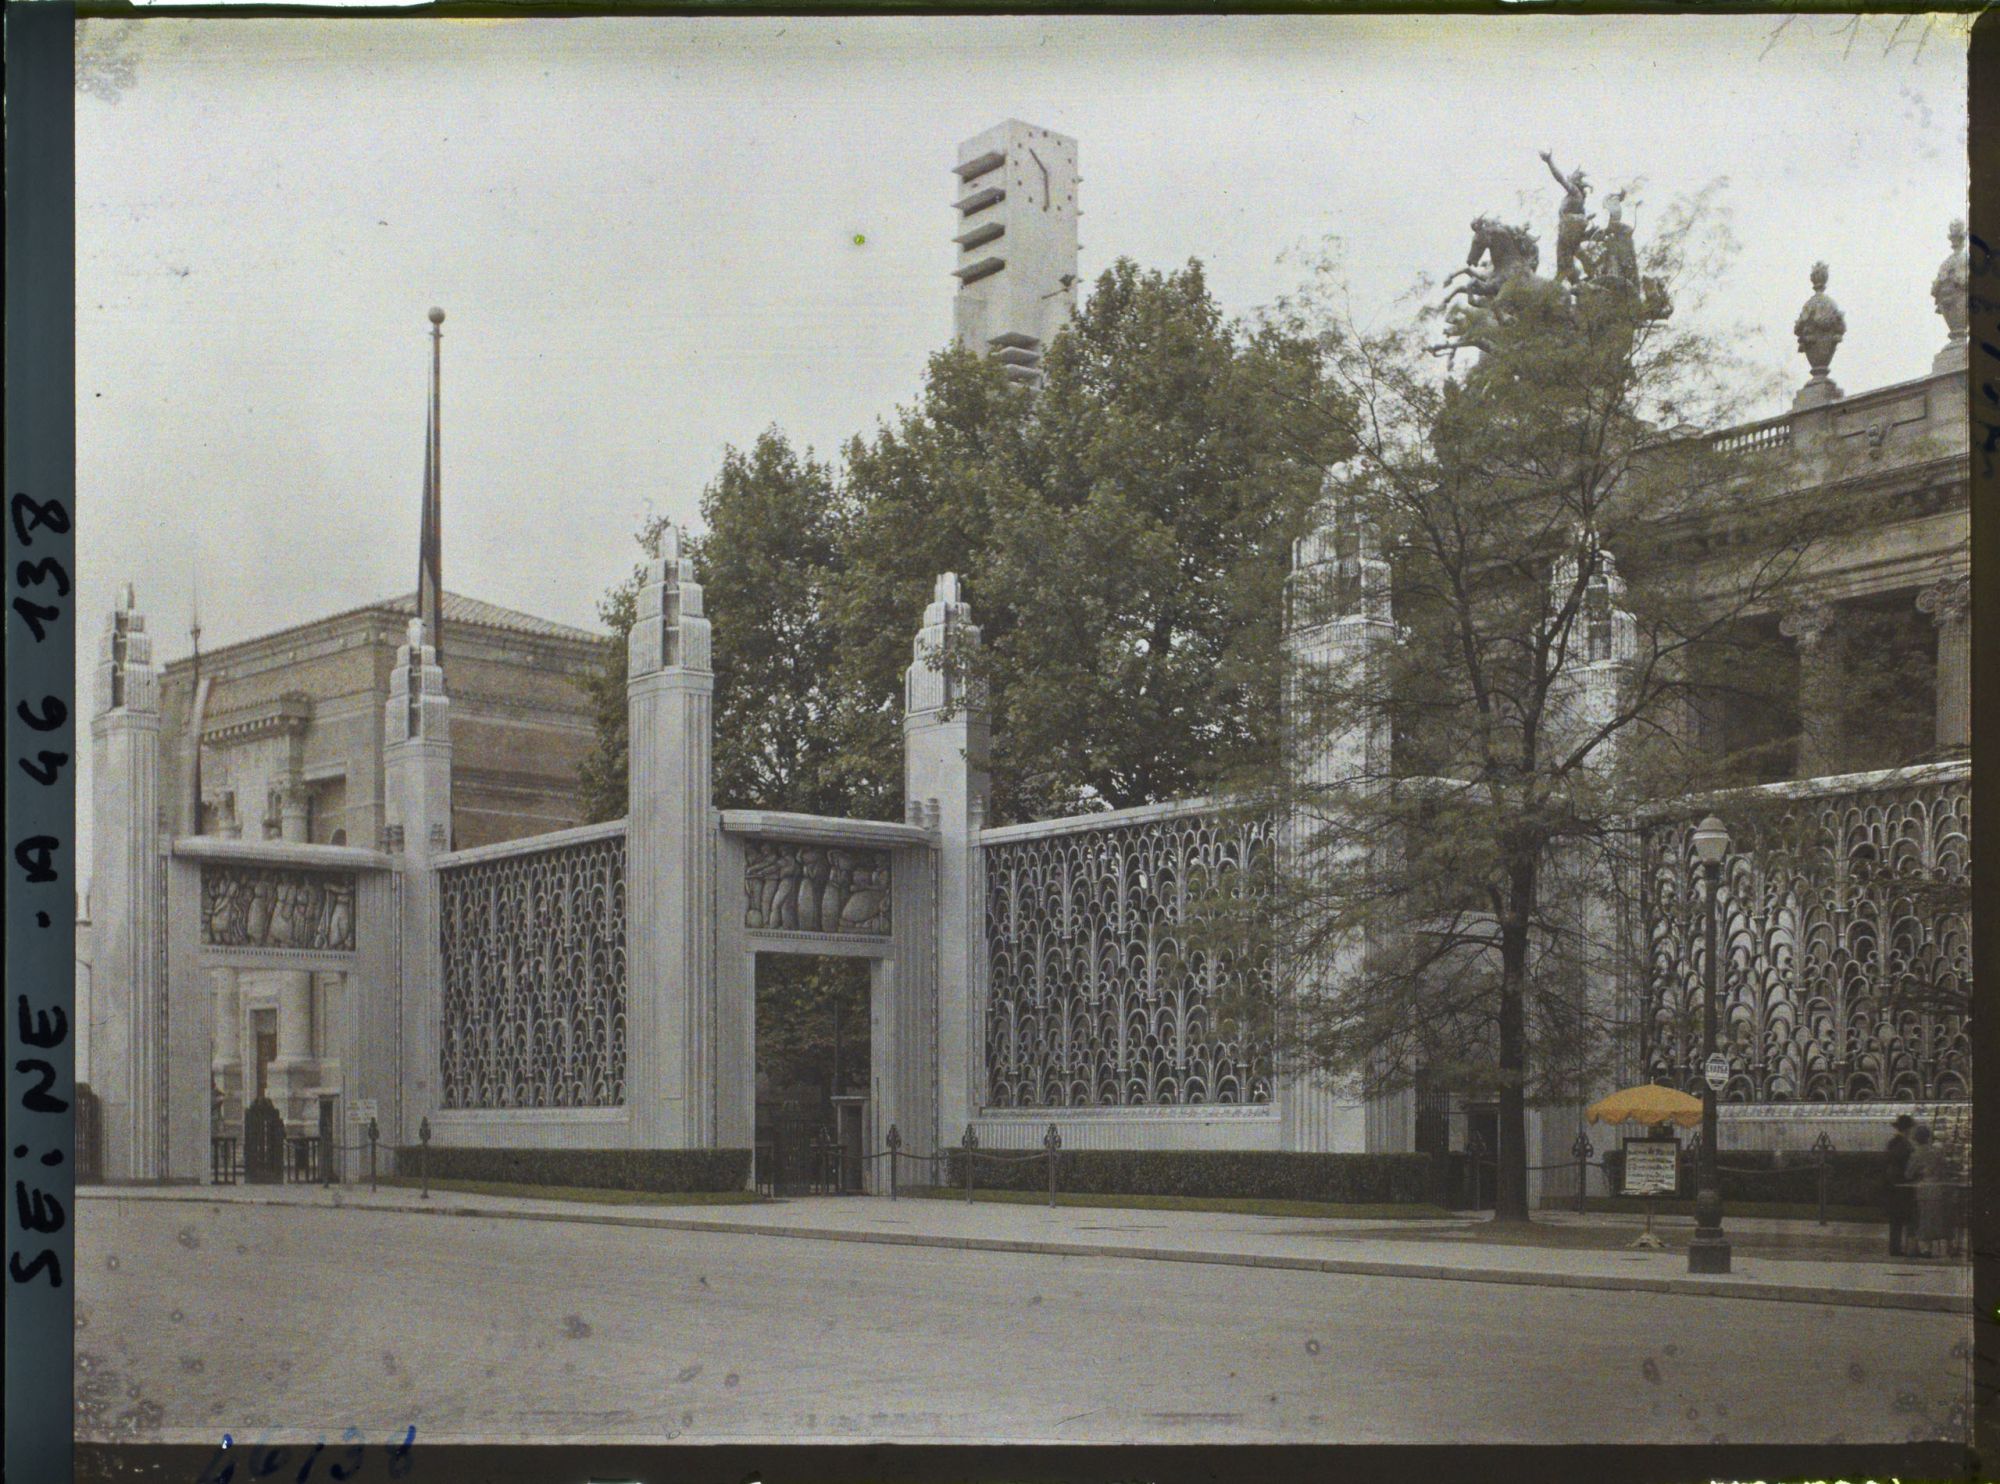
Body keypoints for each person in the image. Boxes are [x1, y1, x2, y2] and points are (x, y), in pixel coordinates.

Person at [1907, 1124, 1951, 1259]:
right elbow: (1944, 1170)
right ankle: (1943, 1248)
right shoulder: (1937, 1152)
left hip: (1923, 1189)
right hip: (1938, 1188)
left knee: (1923, 1218)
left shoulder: (1916, 1154)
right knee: (1937, 1217)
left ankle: (1926, 1248)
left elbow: (1908, 1174)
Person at [1883, 1113, 1916, 1257]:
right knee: (1905, 1216)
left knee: (1895, 1219)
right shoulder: (1904, 1145)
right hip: (1902, 1184)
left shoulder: (1892, 1143)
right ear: (1907, 1129)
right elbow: (1907, 1164)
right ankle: (1905, 1247)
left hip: (1892, 1184)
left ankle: (1895, 1247)